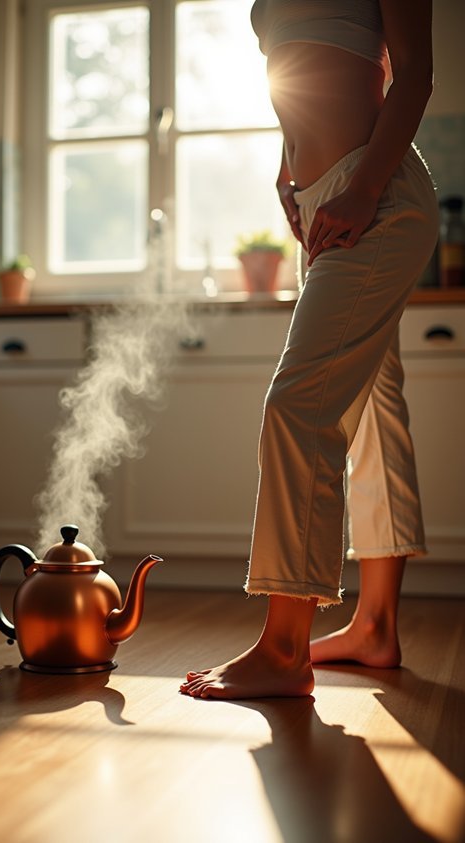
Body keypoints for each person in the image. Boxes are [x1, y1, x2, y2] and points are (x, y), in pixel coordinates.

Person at [180, 0, 437, 700]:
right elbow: (298, 76)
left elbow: (412, 77)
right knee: (372, 421)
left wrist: (357, 188)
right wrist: (284, 169)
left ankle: (284, 647)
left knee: (299, 406)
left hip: (371, 198)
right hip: (326, 204)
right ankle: (374, 627)